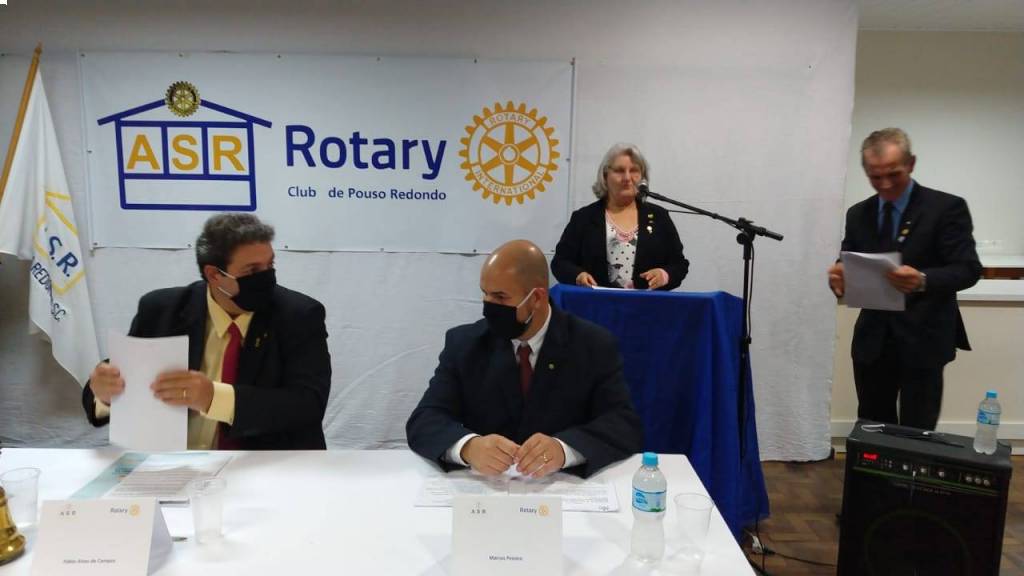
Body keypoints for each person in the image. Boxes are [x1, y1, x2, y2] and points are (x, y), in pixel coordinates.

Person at [82, 213, 332, 449]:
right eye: (252, 271)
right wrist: (104, 395)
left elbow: (308, 403)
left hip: (266, 464)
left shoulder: (298, 315)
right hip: (175, 463)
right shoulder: (163, 310)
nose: (266, 277)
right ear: (213, 275)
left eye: (270, 265)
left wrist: (215, 398)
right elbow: (122, 381)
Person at [406, 240, 643, 478]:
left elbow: (623, 424)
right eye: (485, 294)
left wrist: (564, 450)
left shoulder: (593, 345)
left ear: (537, 298)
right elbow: (425, 419)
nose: (489, 307)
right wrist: (468, 447)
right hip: (486, 487)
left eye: (500, 297)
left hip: (560, 487)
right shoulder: (465, 344)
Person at [828, 128, 981, 430]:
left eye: (893, 174)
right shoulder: (859, 214)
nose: (885, 184)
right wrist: (839, 276)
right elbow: (850, 259)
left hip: (924, 339)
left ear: (911, 164)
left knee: (917, 434)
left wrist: (923, 279)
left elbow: (968, 269)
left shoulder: (946, 208)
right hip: (873, 342)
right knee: (872, 429)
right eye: (875, 177)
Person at [551, 143, 689, 290]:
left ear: (642, 178)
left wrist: (664, 275)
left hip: (648, 303)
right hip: (595, 302)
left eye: (634, 170)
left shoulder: (659, 217)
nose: (627, 178)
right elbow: (560, 262)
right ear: (605, 176)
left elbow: (679, 264)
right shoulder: (584, 218)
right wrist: (578, 275)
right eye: (619, 171)